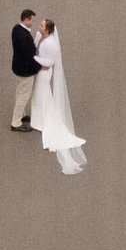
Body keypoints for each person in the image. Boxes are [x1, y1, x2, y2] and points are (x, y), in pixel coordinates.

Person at [28, 18, 86, 175]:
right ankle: (38, 118)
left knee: (43, 95)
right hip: (39, 71)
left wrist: (33, 59)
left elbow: (49, 61)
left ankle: (43, 120)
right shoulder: (41, 37)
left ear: (48, 29)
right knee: (38, 96)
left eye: (41, 25)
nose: (39, 26)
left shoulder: (52, 44)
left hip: (44, 73)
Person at [8, 8, 41, 131]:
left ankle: (21, 115)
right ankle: (16, 122)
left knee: (19, 92)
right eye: (32, 20)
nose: (33, 22)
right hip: (25, 71)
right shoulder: (25, 37)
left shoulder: (16, 29)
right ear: (26, 20)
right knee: (23, 96)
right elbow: (30, 57)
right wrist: (39, 66)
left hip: (17, 68)